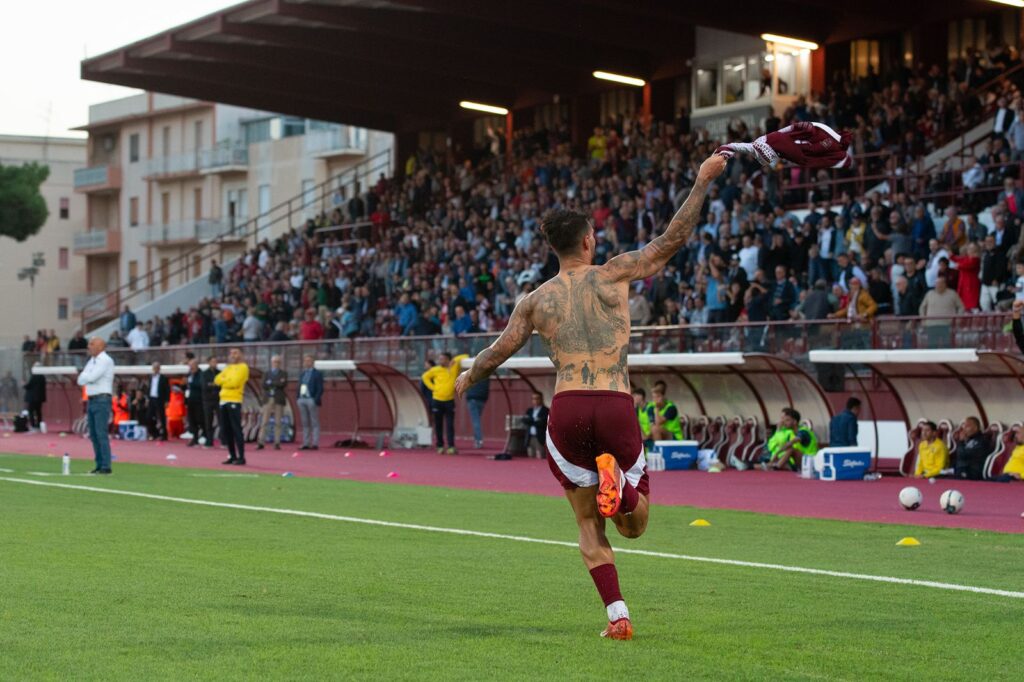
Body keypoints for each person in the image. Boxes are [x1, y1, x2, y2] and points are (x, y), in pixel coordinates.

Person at [455, 152, 726, 640]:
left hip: (568, 406)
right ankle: (619, 487)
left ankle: (617, 615)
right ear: (587, 240)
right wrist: (703, 179)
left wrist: (469, 376)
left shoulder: (535, 300)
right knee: (635, 525)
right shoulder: (614, 274)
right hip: (614, 400)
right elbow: (672, 240)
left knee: (586, 523)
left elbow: (500, 349)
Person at [76, 337, 115, 474]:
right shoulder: (92, 361)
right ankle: (99, 464)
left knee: (100, 433)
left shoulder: (105, 360)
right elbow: (80, 380)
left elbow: (91, 377)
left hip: (102, 399)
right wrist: (86, 376)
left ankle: (106, 465)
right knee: (93, 433)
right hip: (92, 400)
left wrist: (86, 376)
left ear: (100, 346)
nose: (89, 346)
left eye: (92, 344)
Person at [422, 351, 469, 454]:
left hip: (449, 401)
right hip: (437, 400)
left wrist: (454, 360)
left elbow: (465, 355)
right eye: (440, 359)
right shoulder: (435, 370)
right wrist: (433, 387)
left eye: (442, 359)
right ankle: (440, 446)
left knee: (450, 425)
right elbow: (425, 377)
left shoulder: (454, 366)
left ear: (448, 360)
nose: (440, 361)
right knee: (438, 425)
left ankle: (451, 446)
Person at [215, 348, 249, 465]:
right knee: (226, 429)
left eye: (235, 353)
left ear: (241, 355)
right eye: (231, 353)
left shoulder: (243, 367)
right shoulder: (228, 368)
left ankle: (241, 456)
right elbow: (217, 379)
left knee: (236, 428)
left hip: (234, 400)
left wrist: (225, 381)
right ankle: (232, 455)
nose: (233, 355)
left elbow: (235, 383)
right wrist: (227, 381)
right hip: (223, 400)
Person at [257, 355, 288, 451]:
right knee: (264, 421)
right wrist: (275, 383)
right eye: (275, 362)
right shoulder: (267, 373)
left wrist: (271, 383)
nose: (276, 363)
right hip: (268, 398)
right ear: (271, 363)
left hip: (278, 398)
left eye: (278, 362)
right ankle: (261, 442)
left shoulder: (283, 373)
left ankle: (277, 442)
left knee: (278, 422)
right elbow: (264, 384)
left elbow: (282, 384)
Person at [297, 354, 323, 450]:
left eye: (309, 361)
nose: (307, 362)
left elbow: (320, 388)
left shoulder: (317, 374)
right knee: (305, 422)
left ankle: (315, 442)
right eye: (305, 361)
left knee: (314, 421)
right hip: (302, 398)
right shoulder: (303, 374)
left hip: (311, 398)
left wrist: (315, 399)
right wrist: (297, 398)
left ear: (312, 362)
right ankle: (306, 442)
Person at [185, 359, 208, 447]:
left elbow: (200, 385)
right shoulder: (189, 374)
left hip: (199, 400)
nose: (191, 367)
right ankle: (195, 438)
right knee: (192, 420)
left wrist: (190, 383)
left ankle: (205, 436)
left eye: (192, 365)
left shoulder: (201, 374)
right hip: (190, 400)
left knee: (200, 419)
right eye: (190, 365)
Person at [200, 355, 221, 448]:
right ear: (209, 363)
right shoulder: (204, 373)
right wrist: (215, 384)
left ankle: (224, 440)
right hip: (207, 400)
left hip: (218, 400)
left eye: (216, 362)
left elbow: (222, 384)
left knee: (222, 421)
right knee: (208, 421)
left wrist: (212, 384)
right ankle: (209, 441)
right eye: (213, 361)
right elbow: (204, 386)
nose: (215, 363)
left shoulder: (220, 373)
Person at [146, 362, 170, 441]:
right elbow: (149, 388)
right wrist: (147, 398)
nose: (155, 369)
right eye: (154, 368)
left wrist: (167, 400)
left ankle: (164, 434)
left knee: (162, 417)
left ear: (159, 369)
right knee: (149, 416)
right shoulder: (150, 377)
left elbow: (167, 390)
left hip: (160, 399)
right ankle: (153, 433)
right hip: (152, 398)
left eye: (157, 368)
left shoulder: (163, 378)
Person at [464, 376, 489, 449]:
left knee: (476, 421)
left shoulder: (472, 372)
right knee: (477, 419)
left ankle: (478, 440)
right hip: (482, 398)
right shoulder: (486, 374)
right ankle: (477, 439)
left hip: (473, 398)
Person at [523, 392, 549, 459]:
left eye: (537, 398)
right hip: (530, 437)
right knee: (530, 456)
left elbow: (543, 422)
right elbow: (525, 421)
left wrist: (531, 420)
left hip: (540, 438)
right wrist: (536, 420)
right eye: (533, 399)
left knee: (540, 456)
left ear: (541, 399)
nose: (535, 401)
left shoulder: (546, 410)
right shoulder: (529, 410)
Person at [23, 364, 46, 429]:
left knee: (31, 411)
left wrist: (24, 385)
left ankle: (33, 424)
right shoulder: (42, 377)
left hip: (32, 398)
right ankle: (39, 424)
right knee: (38, 411)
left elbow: (29, 386)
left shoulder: (34, 376)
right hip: (40, 398)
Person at [632, 387, 653, 452]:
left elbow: (653, 425)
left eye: (635, 396)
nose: (633, 398)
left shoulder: (650, 408)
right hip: (643, 438)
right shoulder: (638, 409)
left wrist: (646, 437)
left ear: (641, 396)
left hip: (651, 437)